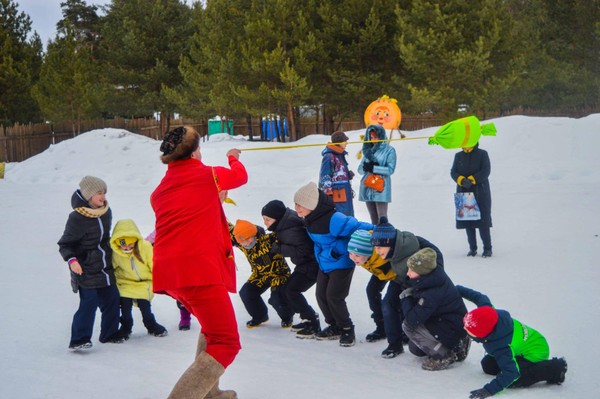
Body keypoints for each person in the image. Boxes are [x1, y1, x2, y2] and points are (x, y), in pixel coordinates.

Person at [150, 125, 247, 399]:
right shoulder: (208, 175)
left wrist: (214, 198)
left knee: (211, 328)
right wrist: (233, 157)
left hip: (172, 274)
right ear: (194, 152)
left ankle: (210, 394)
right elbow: (240, 177)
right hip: (198, 273)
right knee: (226, 342)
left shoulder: (160, 192)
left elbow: (191, 216)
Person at [293, 181, 373, 346]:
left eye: (301, 204)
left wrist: (380, 229)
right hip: (325, 262)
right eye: (296, 204)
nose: (297, 208)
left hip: (342, 262)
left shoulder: (334, 219)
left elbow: (358, 227)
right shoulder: (309, 218)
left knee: (334, 297)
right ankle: (334, 326)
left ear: (312, 204)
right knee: (321, 296)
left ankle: (346, 329)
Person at [458, 285, 567, 398]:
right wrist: (455, 289)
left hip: (535, 353)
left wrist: (489, 390)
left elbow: (511, 373)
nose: (464, 328)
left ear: (482, 334)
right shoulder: (489, 313)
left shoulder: (502, 347)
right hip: (524, 345)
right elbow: (479, 297)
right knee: (488, 366)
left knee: (514, 379)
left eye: (469, 330)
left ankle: (555, 368)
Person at [58, 176, 124, 350]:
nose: (103, 197)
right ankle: (79, 339)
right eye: (99, 193)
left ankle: (109, 334)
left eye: (104, 192)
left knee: (112, 299)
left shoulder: (105, 212)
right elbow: (65, 244)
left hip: (105, 266)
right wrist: (72, 261)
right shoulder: (77, 217)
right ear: (88, 196)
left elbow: (105, 238)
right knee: (89, 303)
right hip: (85, 269)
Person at [371, 216, 444, 359]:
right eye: (375, 248)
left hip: (420, 282)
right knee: (388, 304)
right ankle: (394, 344)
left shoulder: (411, 247)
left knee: (413, 308)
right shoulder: (390, 250)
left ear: (389, 243)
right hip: (400, 280)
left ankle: (423, 338)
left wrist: (420, 285)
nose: (377, 251)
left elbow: (435, 259)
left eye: (379, 247)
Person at [400, 248, 470, 371]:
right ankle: (458, 346)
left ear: (423, 272)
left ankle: (444, 356)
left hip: (450, 325)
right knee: (415, 349)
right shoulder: (433, 278)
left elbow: (411, 320)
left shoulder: (431, 292)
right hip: (452, 323)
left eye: (412, 270)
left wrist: (406, 298)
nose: (408, 273)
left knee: (407, 326)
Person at [261, 200, 321, 338]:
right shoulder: (285, 224)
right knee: (287, 289)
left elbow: (304, 250)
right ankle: (307, 317)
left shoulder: (290, 230)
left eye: (267, 219)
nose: (265, 223)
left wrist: (279, 249)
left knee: (292, 290)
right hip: (305, 264)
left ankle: (311, 321)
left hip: (312, 265)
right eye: (264, 219)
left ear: (277, 218)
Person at [230, 219, 294, 328]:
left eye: (248, 239)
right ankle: (260, 316)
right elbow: (228, 229)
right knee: (246, 292)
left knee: (276, 299)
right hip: (260, 274)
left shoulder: (269, 239)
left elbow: (288, 234)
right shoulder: (241, 243)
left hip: (278, 274)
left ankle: (287, 317)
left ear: (254, 234)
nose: (246, 243)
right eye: (243, 241)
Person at [110, 219, 167, 339]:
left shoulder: (145, 247)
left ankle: (150, 324)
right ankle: (126, 326)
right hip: (125, 283)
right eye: (123, 245)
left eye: (130, 244)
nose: (126, 248)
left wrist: (158, 278)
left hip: (144, 283)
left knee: (145, 306)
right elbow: (114, 267)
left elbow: (153, 264)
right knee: (125, 307)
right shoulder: (116, 253)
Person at [347, 229, 396, 343]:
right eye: (350, 254)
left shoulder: (383, 255)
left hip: (398, 274)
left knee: (393, 300)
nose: (353, 258)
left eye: (357, 255)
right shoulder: (363, 254)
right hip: (379, 271)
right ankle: (381, 326)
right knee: (371, 291)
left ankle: (402, 329)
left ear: (367, 253)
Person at [451, 143, 493, 257]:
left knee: (482, 221)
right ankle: (472, 249)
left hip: (481, 192)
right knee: (468, 221)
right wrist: (461, 180)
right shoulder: (458, 155)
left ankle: (487, 248)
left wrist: (472, 179)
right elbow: (453, 172)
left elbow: (486, 170)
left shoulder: (482, 154)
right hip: (463, 191)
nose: (466, 145)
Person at [146, 229, 192, 331]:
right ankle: (185, 318)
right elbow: (149, 240)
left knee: (190, 292)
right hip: (173, 264)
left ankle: (191, 317)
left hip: (188, 261)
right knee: (181, 294)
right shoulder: (165, 225)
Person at [357, 124, 397, 224]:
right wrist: (366, 167)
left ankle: (385, 237)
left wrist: (374, 168)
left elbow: (390, 170)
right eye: (371, 137)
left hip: (380, 188)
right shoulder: (368, 150)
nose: (373, 140)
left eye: (376, 137)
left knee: (382, 218)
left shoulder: (389, 150)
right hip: (367, 187)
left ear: (381, 136)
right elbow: (359, 170)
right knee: (373, 219)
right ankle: (376, 238)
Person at [319, 131, 354, 216]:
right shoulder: (329, 156)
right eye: (344, 141)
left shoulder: (340, 155)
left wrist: (347, 175)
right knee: (341, 218)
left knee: (348, 218)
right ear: (338, 142)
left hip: (345, 193)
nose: (346, 143)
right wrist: (328, 196)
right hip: (337, 196)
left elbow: (337, 173)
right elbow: (325, 176)